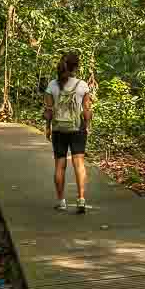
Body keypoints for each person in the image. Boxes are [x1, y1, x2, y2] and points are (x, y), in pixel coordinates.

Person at [43, 52, 93, 213]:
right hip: (77, 128)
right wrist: (88, 125)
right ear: (76, 67)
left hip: (59, 129)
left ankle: (61, 201)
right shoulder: (82, 85)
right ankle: (81, 199)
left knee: (60, 165)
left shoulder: (52, 85)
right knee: (79, 163)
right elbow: (86, 110)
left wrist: (48, 127)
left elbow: (48, 110)